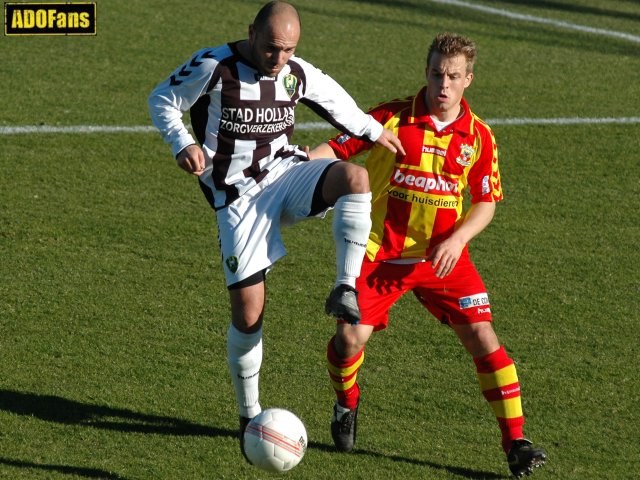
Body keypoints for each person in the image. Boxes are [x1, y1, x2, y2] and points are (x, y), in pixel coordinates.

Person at [148, 0, 404, 461]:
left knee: (355, 178)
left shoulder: (295, 72)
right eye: (271, 48)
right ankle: (249, 416)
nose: (279, 58)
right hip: (238, 200)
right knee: (248, 314)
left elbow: (332, 97)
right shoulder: (214, 66)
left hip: (286, 175)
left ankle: (345, 288)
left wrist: (370, 130)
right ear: (251, 33)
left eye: (288, 50)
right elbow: (161, 99)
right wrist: (182, 141)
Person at [309, 32, 546, 478]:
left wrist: (458, 240)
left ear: (468, 80)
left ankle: (516, 441)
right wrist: (301, 160)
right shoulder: (392, 118)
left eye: (453, 76)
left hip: (442, 259)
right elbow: (339, 147)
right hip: (379, 255)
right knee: (349, 341)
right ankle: (347, 403)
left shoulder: (478, 137)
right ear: (427, 72)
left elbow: (486, 200)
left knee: (483, 336)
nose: (443, 84)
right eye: (437, 73)